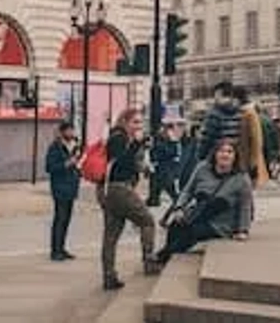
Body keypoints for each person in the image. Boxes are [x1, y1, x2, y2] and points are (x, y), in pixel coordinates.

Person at [154, 137, 252, 266]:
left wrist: (243, 230)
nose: (225, 155)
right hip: (198, 213)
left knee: (192, 232)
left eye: (229, 152)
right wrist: (179, 208)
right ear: (215, 153)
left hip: (221, 223)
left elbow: (245, 206)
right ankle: (167, 258)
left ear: (235, 156)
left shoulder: (241, 179)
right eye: (221, 151)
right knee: (175, 225)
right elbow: (187, 191)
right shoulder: (202, 168)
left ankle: (162, 256)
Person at [100, 108, 159, 291]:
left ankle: (109, 276)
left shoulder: (121, 137)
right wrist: (136, 144)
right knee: (147, 221)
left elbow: (130, 164)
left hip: (110, 189)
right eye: (135, 122)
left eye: (141, 122)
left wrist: (143, 162)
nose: (138, 126)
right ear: (124, 122)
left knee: (111, 235)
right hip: (118, 188)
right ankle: (149, 261)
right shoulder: (118, 137)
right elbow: (121, 162)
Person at [45, 121, 80, 261]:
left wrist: (78, 166)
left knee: (67, 219)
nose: (72, 133)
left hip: (71, 187)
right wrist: (66, 164)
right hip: (59, 187)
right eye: (69, 131)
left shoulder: (74, 147)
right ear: (62, 132)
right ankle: (55, 250)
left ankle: (62, 248)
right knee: (60, 218)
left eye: (72, 130)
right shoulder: (55, 147)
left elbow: (75, 165)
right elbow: (49, 167)